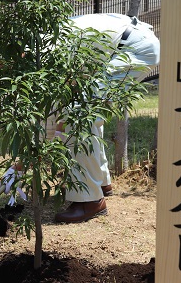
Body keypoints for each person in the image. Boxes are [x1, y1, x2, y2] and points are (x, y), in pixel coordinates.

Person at [53, 13, 160, 223]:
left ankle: (90, 201)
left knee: (81, 118)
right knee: (87, 112)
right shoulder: (49, 36)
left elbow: (51, 116)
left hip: (134, 48)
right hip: (131, 43)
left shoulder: (47, 47)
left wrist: (20, 165)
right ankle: (101, 181)